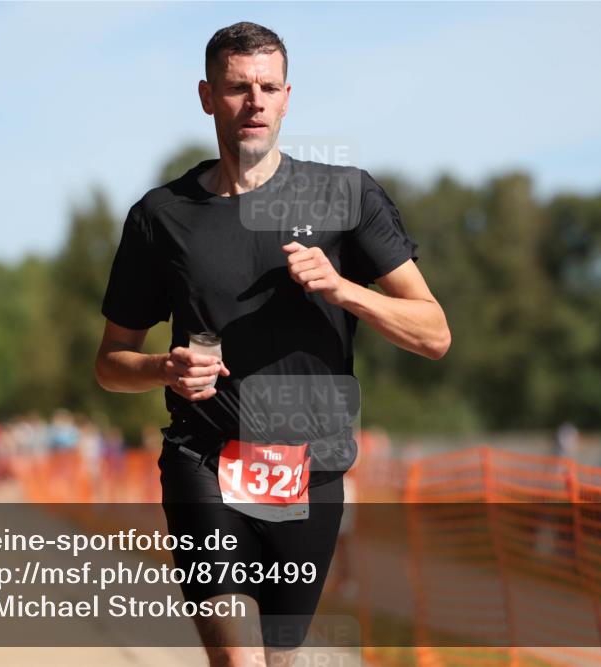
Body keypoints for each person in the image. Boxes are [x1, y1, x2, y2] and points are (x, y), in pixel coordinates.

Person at [94, 22, 450, 667]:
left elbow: (434, 333)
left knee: (282, 661)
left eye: (268, 87)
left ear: (288, 97)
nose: (254, 101)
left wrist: (343, 290)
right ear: (208, 97)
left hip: (308, 473)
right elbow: (110, 363)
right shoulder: (161, 216)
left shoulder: (346, 195)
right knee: (238, 663)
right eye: (237, 88)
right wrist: (161, 368)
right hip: (203, 458)